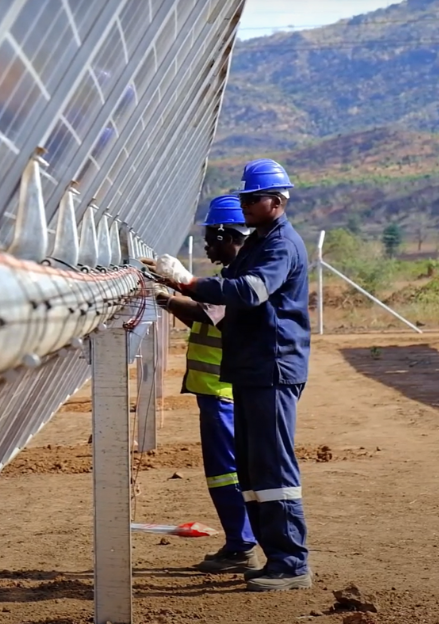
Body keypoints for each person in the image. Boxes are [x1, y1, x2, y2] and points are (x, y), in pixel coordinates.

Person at [160, 159, 312, 592]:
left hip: (272, 369)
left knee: (273, 468)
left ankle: (291, 561)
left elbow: (248, 293)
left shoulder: (281, 246)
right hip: (251, 370)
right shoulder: (262, 242)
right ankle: (274, 557)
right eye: (244, 198)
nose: (246, 204)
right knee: (252, 468)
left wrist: (188, 283)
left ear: (277, 201)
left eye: (253, 198)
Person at [152, 195, 259, 574]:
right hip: (218, 389)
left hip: (221, 391)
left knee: (225, 471)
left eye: (211, 239)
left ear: (226, 234)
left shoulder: (237, 279)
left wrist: (165, 295)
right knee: (228, 469)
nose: (209, 248)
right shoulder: (239, 274)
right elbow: (203, 319)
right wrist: (169, 296)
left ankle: (241, 544)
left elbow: (208, 313)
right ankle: (241, 541)